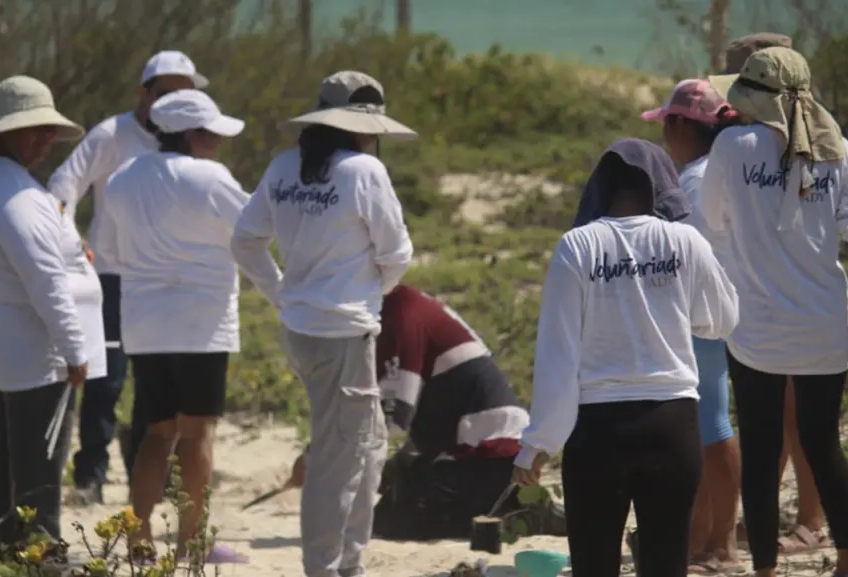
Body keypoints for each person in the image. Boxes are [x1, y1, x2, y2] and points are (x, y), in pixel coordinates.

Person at [515, 138, 740, 577]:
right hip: (672, 425)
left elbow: (558, 355)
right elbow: (723, 320)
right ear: (662, 187)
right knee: (666, 563)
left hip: (598, 432)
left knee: (595, 565)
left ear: (600, 188)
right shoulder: (685, 241)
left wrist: (538, 444)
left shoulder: (577, 246)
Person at [702, 47, 848, 577]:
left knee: (760, 454)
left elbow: (710, 227)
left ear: (754, 96)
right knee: (823, 443)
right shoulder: (837, 147)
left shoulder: (732, 146)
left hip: (756, 328)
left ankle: (764, 570)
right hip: (825, 325)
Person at [232, 70, 414, 577]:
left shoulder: (283, 166)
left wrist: (283, 293)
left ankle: (349, 561)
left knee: (369, 445)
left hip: (304, 331)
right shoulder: (364, 172)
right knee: (337, 461)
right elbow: (397, 253)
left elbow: (244, 241)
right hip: (343, 335)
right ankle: (325, 568)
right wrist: (367, 293)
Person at [48, 50, 209, 504]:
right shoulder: (112, 135)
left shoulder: (193, 139)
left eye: (184, 94)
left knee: (159, 384)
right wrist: (70, 242)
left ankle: (148, 479)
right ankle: (91, 475)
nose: (172, 103)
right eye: (163, 93)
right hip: (113, 278)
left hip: (167, 281)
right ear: (143, 92)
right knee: (106, 380)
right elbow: (62, 188)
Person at [287, 283, 566, 541]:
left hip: (489, 454)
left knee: (393, 520)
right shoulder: (404, 306)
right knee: (393, 499)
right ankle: (511, 505)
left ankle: (519, 516)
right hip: (474, 451)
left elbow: (394, 417)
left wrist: (318, 456)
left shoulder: (401, 315)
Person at [102, 89, 248, 564]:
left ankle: (139, 541)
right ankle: (191, 541)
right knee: (198, 433)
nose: (218, 144)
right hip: (201, 324)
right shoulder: (210, 177)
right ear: (192, 134)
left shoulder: (122, 179)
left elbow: (107, 246)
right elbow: (253, 231)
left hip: (145, 325)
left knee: (156, 431)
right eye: (211, 134)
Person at [0, 75, 90, 552]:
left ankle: (7, 545)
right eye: (34, 128)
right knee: (39, 457)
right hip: (35, 350)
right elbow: (47, 285)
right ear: (3, 132)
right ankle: (40, 551)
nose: (46, 138)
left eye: (48, 128)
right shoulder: (20, 196)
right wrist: (76, 351)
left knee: (6, 452)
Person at [640, 78, 743, 573]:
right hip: (715, 311)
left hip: (704, 316)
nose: (663, 136)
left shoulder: (696, 179)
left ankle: (721, 543)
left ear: (684, 125)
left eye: (666, 125)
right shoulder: (707, 171)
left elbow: (696, 256)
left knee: (714, 424)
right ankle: (706, 537)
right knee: (708, 425)